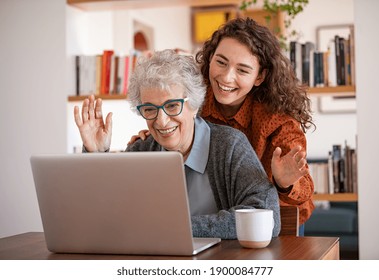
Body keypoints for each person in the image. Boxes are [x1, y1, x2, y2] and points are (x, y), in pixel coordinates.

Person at [74, 49, 280, 239]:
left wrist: (177, 228)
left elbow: (267, 217)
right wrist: (96, 154)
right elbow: (106, 216)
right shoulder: (142, 149)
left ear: (193, 104)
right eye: (149, 109)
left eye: (172, 105)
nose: (161, 121)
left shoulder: (229, 145)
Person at [195, 17, 315, 236]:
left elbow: (305, 188)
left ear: (259, 76)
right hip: (215, 217)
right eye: (221, 62)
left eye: (242, 70)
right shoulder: (194, 102)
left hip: (275, 223)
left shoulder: (279, 121)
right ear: (210, 59)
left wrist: (284, 183)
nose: (226, 77)